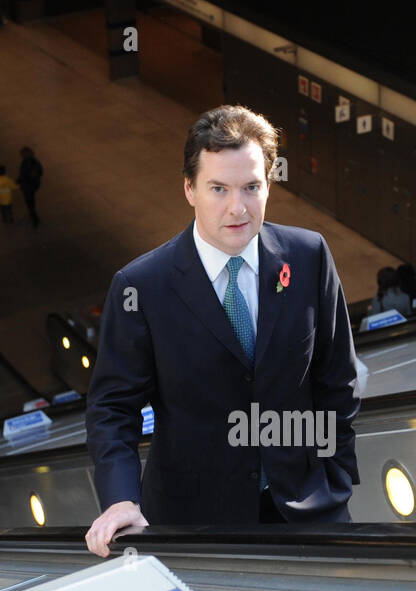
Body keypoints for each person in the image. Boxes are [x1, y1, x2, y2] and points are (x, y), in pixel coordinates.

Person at [84, 104, 360, 557]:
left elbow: (337, 379)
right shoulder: (140, 287)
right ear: (189, 189)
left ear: (269, 185)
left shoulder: (308, 256)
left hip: (309, 508)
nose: (238, 208)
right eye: (219, 189)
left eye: (252, 187)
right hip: (195, 524)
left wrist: (336, 474)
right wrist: (120, 499)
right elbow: (113, 408)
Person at [17, 146, 44, 228]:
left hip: (29, 186)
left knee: (30, 202)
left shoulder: (30, 163)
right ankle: (33, 215)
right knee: (30, 201)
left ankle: (34, 218)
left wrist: (23, 179)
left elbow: (35, 174)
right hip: (29, 185)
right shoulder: (29, 162)